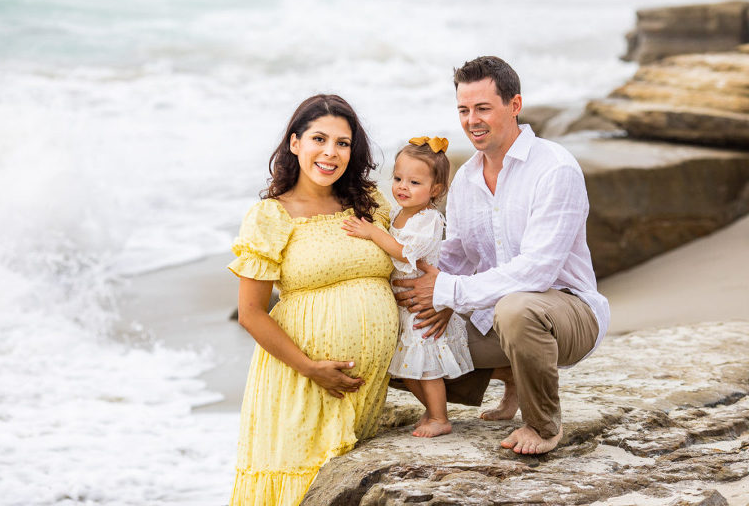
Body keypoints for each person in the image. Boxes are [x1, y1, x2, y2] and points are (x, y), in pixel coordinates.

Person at [393, 56, 610, 455]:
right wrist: (433, 300)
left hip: (568, 311)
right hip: (494, 311)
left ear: (514, 105)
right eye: (463, 109)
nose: (471, 120)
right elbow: (456, 255)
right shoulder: (465, 180)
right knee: (403, 339)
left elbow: (538, 271)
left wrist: (450, 291)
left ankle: (543, 425)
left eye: (482, 108)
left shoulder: (555, 168)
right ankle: (513, 373)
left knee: (517, 310)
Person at [227, 94, 399, 505]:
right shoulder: (271, 215)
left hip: (364, 389)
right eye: (319, 139)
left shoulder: (371, 205)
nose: (330, 152)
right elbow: (251, 314)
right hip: (299, 381)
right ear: (294, 143)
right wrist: (311, 368)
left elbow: (406, 270)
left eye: (342, 143)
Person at [342, 136, 473, 438]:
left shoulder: (428, 219)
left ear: (435, 191)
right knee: (406, 367)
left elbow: (404, 251)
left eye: (414, 182)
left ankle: (440, 417)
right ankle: (431, 409)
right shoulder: (398, 214)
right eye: (398, 178)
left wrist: (372, 232)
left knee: (426, 366)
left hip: (421, 305)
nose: (402, 186)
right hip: (404, 306)